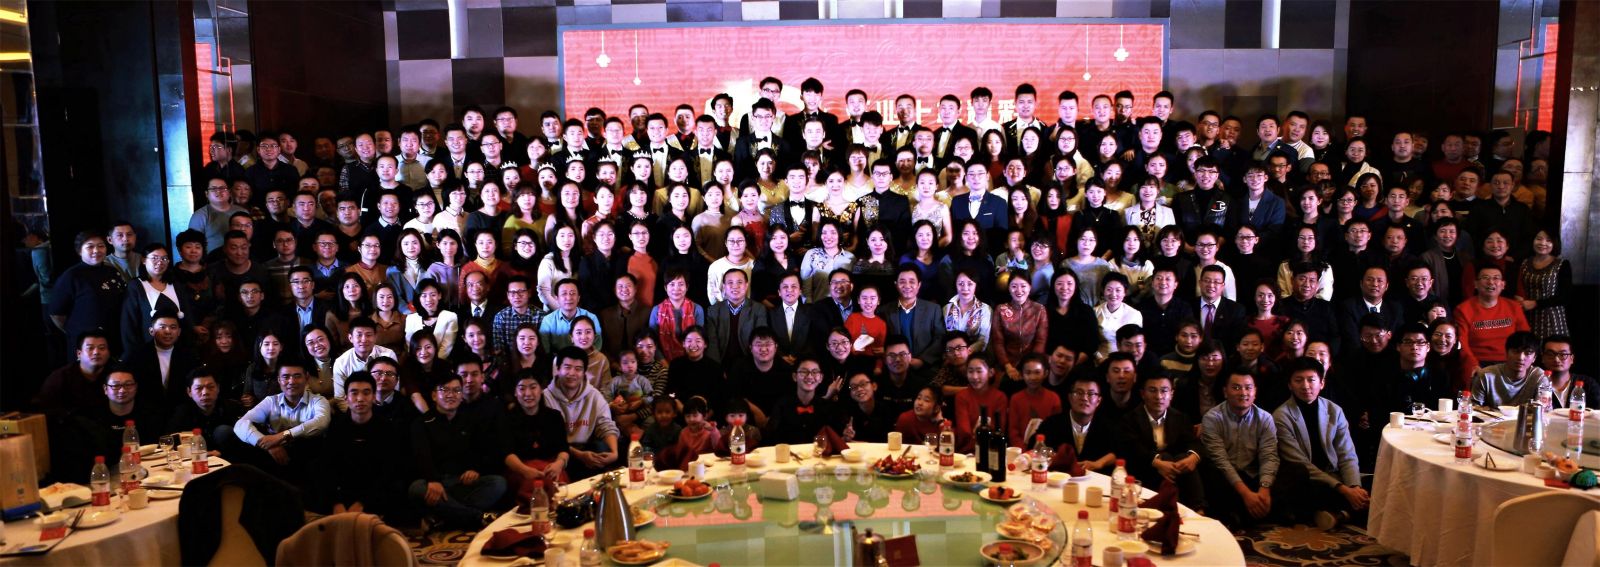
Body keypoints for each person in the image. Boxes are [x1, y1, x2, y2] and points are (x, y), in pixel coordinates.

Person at [1273, 357, 1368, 529]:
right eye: (1298, 380)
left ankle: (1340, 515)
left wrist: (1354, 487)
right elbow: (1300, 462)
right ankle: (1347, 511)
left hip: (1335, 474)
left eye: (1311, 380)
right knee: (1302, 486)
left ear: (1322, 383)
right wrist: (1343, 490)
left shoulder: (1334, 411)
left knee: (1378, 482)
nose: (1305, 386)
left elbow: (1347, 454)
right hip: (1310, 479)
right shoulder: (1281, 416)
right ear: (1290, 385)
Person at [409, 372, 508, 529]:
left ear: (462, 395)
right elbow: (422, 456)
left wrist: (475, 469)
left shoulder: (470, 420)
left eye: (456, 390)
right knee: (417, 488)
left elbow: (482, 451)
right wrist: (433, 480)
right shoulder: (422, 423)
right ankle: (476, 517)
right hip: (436, 483)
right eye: (445, 390)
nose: (451, 395)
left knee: (498, 483)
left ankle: (445, 516)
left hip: (462, 483)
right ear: (434, 395)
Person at [317, 371, 406, 516]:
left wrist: (363, 503)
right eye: (354, 393)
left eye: (366, 393)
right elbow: (327, 468)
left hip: (375, 492)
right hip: (344, 491)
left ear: (374, 397)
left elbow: (389, 471)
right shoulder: (336, 427)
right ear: (346, 398)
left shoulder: (386, 428)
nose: (360, 399)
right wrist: (337, 503)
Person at [1199, 371, 1279, 527]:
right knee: (1208, 471)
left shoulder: (1265, 418)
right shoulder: (1212, 418)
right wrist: (1246, 494)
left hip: (1253, 476)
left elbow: (1269, 456)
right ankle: (1257, 513)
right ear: (1225, 392)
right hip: (1226, 479)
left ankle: (1244, 513)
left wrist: (1264, 488)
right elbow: (1221, 461)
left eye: (1248, 388)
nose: (1243, 393)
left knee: (1296, 471)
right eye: (1236, 388)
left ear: (1255, 391)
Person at [232, 360, 333, 482]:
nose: (291, 381)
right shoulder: (271, 401)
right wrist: (267, 445)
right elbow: (240, 424)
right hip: (274, 457)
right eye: (286, 377)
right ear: (279, 380)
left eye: (297, 376)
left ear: (306, 378)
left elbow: (321, 422)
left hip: (306, 458)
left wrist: (282, 436)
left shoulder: (318, 401)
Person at [1116, 372, 1205, 510]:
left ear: (1172, 394)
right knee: (1165, 456)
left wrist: (1193, 457)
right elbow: (1133, 448)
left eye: (1164, 391)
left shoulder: (1180, 417)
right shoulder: (1130, 419)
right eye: (1152, 390)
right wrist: (1157, 462)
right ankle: (1171, 508)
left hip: (1174, 469)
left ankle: (1199, 508)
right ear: (1143, 394)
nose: (1158, 396)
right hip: (1144, 470)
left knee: (1183, 458)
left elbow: (1192, 441)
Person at [50, 231, 130, 358]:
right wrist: (75, 330)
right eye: (90, 246)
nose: (96, 250)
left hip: (113, 338)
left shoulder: (112, 271)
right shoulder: (71, 276)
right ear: (79, 251)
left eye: (101, 246)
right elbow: (56, 314)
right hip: (86, 344)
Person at [500, 368, 571, 500]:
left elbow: (563, 448)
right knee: (532, 487)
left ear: (541, 389)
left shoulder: (554, 417)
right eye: (522, 388)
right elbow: (506, 453)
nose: (528, 393)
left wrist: (558, 464)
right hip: (520, 470)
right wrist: (524, 470)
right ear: (515, 392)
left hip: (551, 467)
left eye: (533, 387)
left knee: (559, 487)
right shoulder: (506, 418)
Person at [1037, 371, 1118, 473]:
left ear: (1098, 401)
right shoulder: (1051, 424)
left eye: (1091, 394)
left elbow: (1119, 451)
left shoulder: (1108, 426)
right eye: (1079, 393)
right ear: (1070, 397)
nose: (1084, 398)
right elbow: (1035, 448)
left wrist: (1098, 463)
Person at [1454, 265, 1530, 365]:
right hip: (1478, 362)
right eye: (1485, 278)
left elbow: (1526, 338)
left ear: (1503, 284)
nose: (1490, 282)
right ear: (1476, 284)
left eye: (1496, 278)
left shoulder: (1514, 307)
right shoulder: (1463, 309)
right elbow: (1462, 343)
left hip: (1510, 362)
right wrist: (1473, 365)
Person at [165, 368, 242, 451]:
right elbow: (170, 440)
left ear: (218, 388)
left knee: (223, 431)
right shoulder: (182, 413)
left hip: (226, 455)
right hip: (194, 455)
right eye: (199, 388)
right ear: (189, 392)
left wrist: (222, 452)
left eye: (210, 387)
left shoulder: (231, 408)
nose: (205, 392)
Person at [704, 268, 769, 365]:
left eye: (739, 282)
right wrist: (716, 368)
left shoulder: (758, 309)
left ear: (746, 285)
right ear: (724, 287)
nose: (735, 286)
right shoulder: (713, 311)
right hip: (721, 363)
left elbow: (760, 340)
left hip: (749, 364)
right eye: (730, 282)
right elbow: (712, 343)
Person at [1470, 332, 1550, 407]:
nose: (1521, 357)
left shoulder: (1539, 377)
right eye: (1516, 351)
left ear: (1534, 358)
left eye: (1528, 353)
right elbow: (1474, 409)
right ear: (1506, 353)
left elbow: (1544, 410)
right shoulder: (1486, 376)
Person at [953, 356, 1008, 452]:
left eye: (979, 371)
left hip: (992, 449)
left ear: (991, 372)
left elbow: (999, 429)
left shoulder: (1000, 397)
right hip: (967, 450)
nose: (974, 377)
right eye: (970, 371)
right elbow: (964, 431)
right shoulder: (961, 396)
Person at [1541, 335, 1598, 409]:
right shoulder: (1538, 384)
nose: (1556, 359)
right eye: (1550, 354)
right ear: (1543, 358)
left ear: (1572, 359)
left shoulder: (1588, 384)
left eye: (1563, 354)